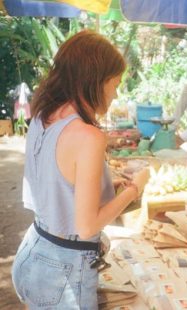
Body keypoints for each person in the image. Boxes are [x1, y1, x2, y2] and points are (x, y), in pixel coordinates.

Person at [11, 30, 149, 309]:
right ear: (96, 80)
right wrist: (136, 188)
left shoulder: (42, 116)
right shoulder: (89, 136)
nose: (116, 93)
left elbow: (59, 181)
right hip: (63, 272)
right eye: (115, 84)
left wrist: (108, 186)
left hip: (33, 251)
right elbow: (87, 226)